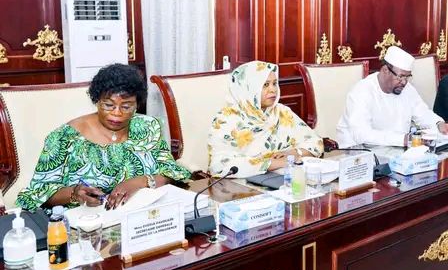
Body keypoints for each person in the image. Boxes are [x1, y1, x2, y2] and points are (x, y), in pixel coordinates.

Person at [16, 64, 190, 212]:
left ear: (137, 104)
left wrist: (140, 182)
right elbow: (38, 193)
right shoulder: (64, 137)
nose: (117, 113)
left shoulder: (148, 127)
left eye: (126, 106)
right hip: (86, 224)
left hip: (143, 217)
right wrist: (74, 193)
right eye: (108, 105)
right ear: (97, 101)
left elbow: (171, 172)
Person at [208, 61, 323, 177]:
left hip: (283, 179)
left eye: (275, 83)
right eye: (265, 85)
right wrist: (270, 164)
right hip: (241, 184)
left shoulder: (281, 112)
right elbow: (218, 166)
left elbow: (316, 143)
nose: (273, 90)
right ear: (248, 88)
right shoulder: (226, 119)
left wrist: (294, 152)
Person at [336, 46, 448, 147]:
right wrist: (402, 139)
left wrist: (439, 124)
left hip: (394, 152)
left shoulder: (407, 89)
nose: (404, 82)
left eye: (407, 77)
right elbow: (362, 135)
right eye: (400, 76)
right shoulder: (362, 91)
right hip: (357, 156)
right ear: (385, 70)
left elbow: (422, 112)